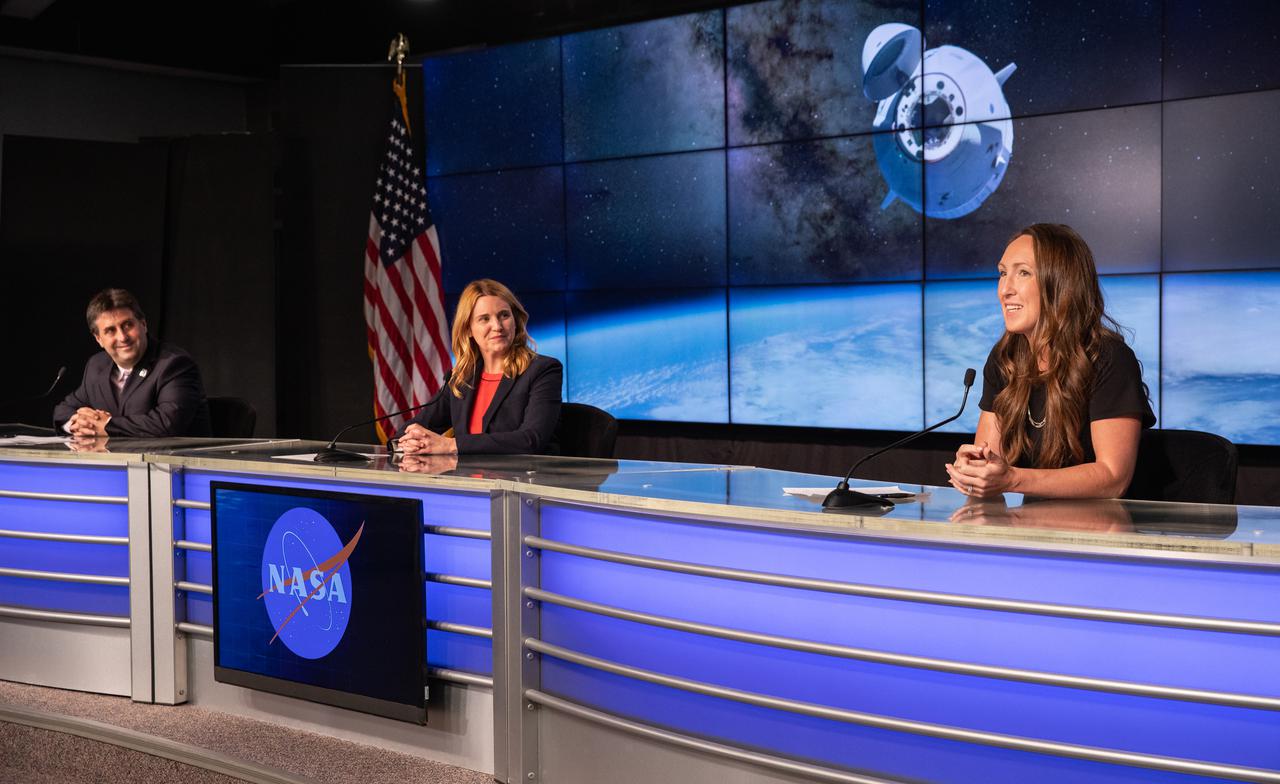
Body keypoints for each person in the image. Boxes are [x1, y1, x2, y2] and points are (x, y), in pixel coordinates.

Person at [945, 224, 1154, 499]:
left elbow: (1113, 479)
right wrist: (975, 469)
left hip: (1099, 533)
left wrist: (1013, 479)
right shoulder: (1004, 359)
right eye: (1002, 273)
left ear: (1060, 283)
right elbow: (989, 460)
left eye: (1023, 273)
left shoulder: (1108, 358)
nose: (1004, 289)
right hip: (1029, 531)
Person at [395, 279, 562, 455]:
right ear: (468, 329)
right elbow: (414, 428)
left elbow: (531, 440)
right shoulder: (461, 379)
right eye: (484, 319)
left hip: (522, 480)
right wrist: (406, 441)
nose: (497, 326)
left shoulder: (543, 370)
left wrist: (450, 445)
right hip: (469, 481)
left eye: (504, 315)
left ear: (516, 321)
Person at [53, 288, 211, 438]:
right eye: (110, 331)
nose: (122, 337)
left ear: (143, 324)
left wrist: (106, 425)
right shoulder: (97, 365)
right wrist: (76, 423)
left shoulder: (174, 364)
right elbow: (62, 410)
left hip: (176, 464)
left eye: (127, 325)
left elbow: (167, 423)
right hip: (116, 464)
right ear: (98, 339)